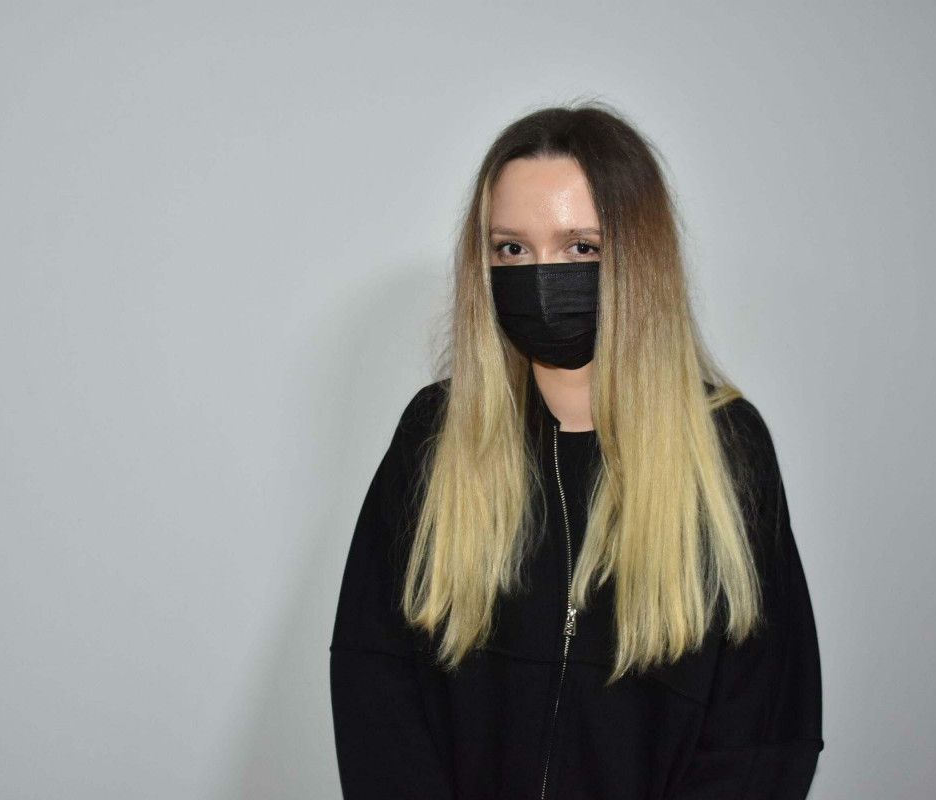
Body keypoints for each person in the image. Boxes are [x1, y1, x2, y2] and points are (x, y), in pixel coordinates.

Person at [329, 101, 824, 799]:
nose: (541, 276)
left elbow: (766, 724)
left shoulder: (727, 452)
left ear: (638, 257)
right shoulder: (432, 436)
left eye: (580, 248)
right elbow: (374, 684)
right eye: (512, 249)